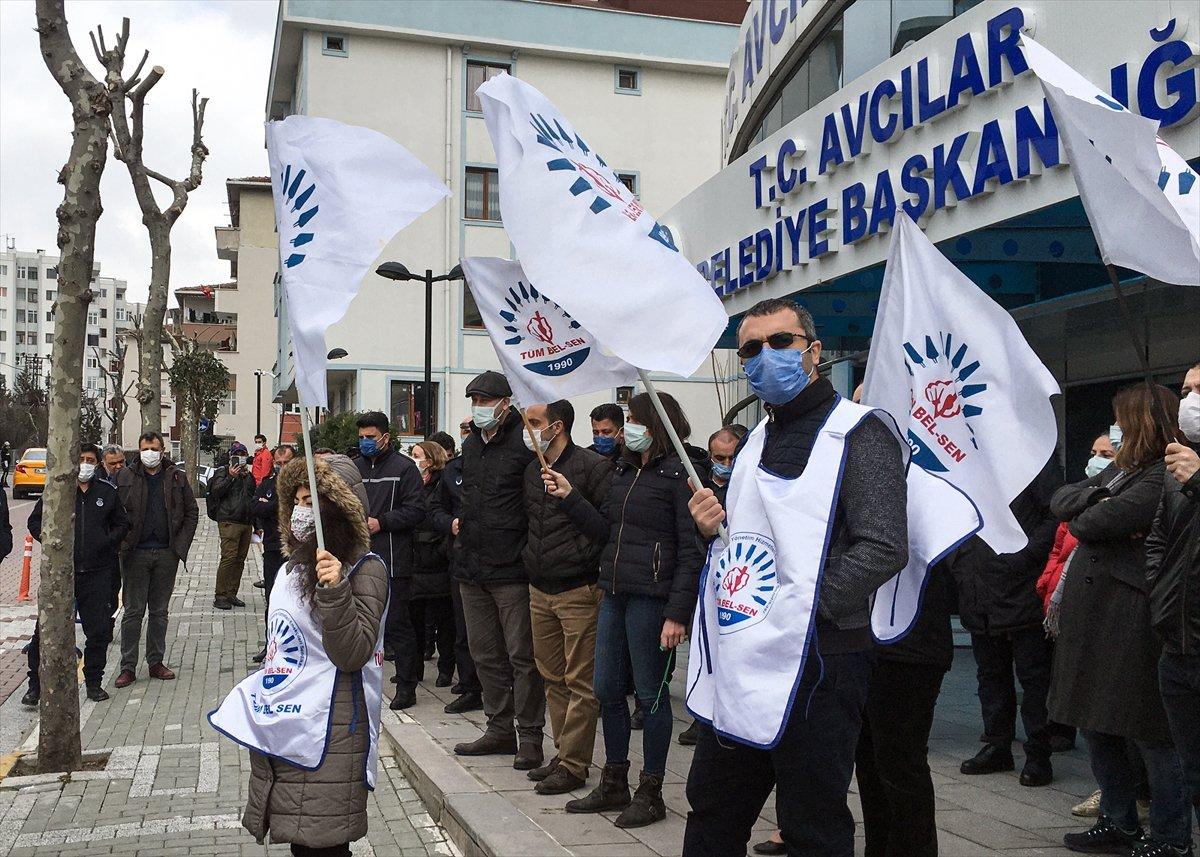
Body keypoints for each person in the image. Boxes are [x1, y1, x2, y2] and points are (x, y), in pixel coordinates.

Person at [683, 298, 909, 857]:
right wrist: (710, 531)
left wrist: (805, 606)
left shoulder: (858, 432)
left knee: (813, 822)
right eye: (751, 349)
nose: (766, 356)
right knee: (712, 808)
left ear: (814, 350)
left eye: (780, 341)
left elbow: (883, 545)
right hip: (745, 654)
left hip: (823, 661)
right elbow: (745, 542)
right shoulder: (754, 439)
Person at [211, 454, 388, 857]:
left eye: (312, 502)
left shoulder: (364, 570)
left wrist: (335, 589)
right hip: (288, 725)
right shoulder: (292, 568)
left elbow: (353, 653)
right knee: (301, 844)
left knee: (323, 846)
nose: (301, 512)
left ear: (338, 509)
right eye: (296, 502)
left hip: (331, 732)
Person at [1051, 383, 1192, 857]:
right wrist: (1096, 500)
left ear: (1141, 421)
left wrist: (1093, 510)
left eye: (1120, 420)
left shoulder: (1162, 473)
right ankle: (1117, 821)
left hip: (1132, 618)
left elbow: (1091, 524)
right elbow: (1063, 500)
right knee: (1097, 723)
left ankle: (1171, 837)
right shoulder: (1121, 469)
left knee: (1149, 731)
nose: (1115, 429)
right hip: (1095, 615)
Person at [553, 390, 702, 829]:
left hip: (651, 599)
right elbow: (606, 531)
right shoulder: (621, 470)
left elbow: (691, 550)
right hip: (614, 593)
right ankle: (614, 779)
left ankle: (651, 790)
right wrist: (571, 498)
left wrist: (677, 613)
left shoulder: (680, 475)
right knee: (606, 689)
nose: (626, 430)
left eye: (634, 421)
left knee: (651, 696)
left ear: (656, 425)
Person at [449, 371, 545, 770]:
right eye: (474, 400)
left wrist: (525, 554)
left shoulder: (524, 442)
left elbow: (535, 503)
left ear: (506, 403)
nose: (478, 407)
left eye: (485, 400)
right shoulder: (472, 444)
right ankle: (499, 728)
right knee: (485, 654)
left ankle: (530, 736)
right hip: (472, 567)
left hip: (511, 569)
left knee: (522, 657)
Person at [953, 457, 1063, 787]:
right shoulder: (966, 456)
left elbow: (1055, 514)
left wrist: (1024, 556)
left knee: (1033, 676)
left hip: (1021, 586)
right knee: (990, 673)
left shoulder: (1031, 455)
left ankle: (1038, 753)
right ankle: (997, 744)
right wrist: (959, 563)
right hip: (978, 585)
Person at [524, 400, 613, 795]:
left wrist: (570, 495)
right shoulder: (532, 469)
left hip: (578, 588)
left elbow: (605, 529)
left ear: (556, 427)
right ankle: (563, 754)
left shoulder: (592, 467)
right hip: (540, 587)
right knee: (552, 677)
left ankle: (575, 764)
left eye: (534, 422)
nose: (528, 430)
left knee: (580, 682)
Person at [22, 443, 130, 705]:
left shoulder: (107, 492)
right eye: (80, 459)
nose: (85, 465)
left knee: (98, 632)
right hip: (62, 573)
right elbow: (35, 522)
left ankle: (93, 682)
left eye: (90, 460)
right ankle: (35, 686)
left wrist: (106, 542)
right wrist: (51, 542)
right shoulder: (58, 489)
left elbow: (122, 524)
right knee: (45, 631)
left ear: (97, 464)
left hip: (97, 574)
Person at [1147, 363, 1200, 834]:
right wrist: (1158, 593)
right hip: (1179, 646)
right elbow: (1158, 541)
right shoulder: (1176, 468)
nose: (1190, 400)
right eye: (1186, 390)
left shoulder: (1191, 472)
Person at [353, 411, 426, 710]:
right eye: (361, 437)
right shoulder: (354, 468)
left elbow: (417, 510)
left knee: (397, 625)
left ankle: (407, 685)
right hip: (358, 560)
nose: (365, 442)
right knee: (360, 624)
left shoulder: (404, 469)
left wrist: (382, 522)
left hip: (393, 560)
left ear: (385, 436)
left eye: (370, 437)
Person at [115, 431, 199, 688]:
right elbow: (114, 512)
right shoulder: (125, 476)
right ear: (139, 451)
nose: (149, 453)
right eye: (145, 449)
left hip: (166, 553)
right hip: (135, 554)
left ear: (163, 450)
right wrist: (122, 542)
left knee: (159, 612)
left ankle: (156, 662)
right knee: (133, 612)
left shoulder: (176, 477)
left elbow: (192, 512)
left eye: (154, 448)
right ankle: (128, 666)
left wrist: (179, 546)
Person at [431, 420, 483, 715]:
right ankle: (469, 686)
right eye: (465, 431)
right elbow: (435, 509)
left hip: (500, 561)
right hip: (461, 559)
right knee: (464, 629)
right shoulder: (453, 471)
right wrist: (450, 523)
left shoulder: (506, 464)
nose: (468, 437)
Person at [408, 440, 456, 690]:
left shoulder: (441, 483)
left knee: (444, 623)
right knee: (416, 623)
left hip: (437, 562)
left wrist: (439, 550)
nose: (414, 459)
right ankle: (414, 670)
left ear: (431, 459)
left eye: (418, 455)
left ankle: (446, 669)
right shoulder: (412, 484)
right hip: (416, 562)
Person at [251, 444, 296, 663]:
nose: (282, 467)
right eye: (279, 463)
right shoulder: (268, 484)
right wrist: (275, 505)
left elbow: (293, 508)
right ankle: (270, 644)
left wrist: (270, 505)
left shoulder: (301, 485)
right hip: (272, 548)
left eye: (287, 462)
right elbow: (255, 508)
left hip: (296, 549)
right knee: (272, 597)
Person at [208, 441, 257, 610]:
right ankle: (220, 595)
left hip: (246, 522)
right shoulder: (223, 471)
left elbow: (252, 499)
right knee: (229, 558)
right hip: (229, 520)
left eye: (243, 454)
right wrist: (230, 476)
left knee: (240, 560)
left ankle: (231, 593)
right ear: (231, 456)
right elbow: (216, 492)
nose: (240, 457)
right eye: (237, 454)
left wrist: (256, 524)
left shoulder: (248, 476)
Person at [100, 443, 129, 627]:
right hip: (103, 546)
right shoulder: (97, 483)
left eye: (121, 462)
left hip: (125, 543)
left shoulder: (131, 479)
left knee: (118, 587)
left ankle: (112, 622)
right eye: (113, 463)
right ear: (103, 464)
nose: (118, 466)